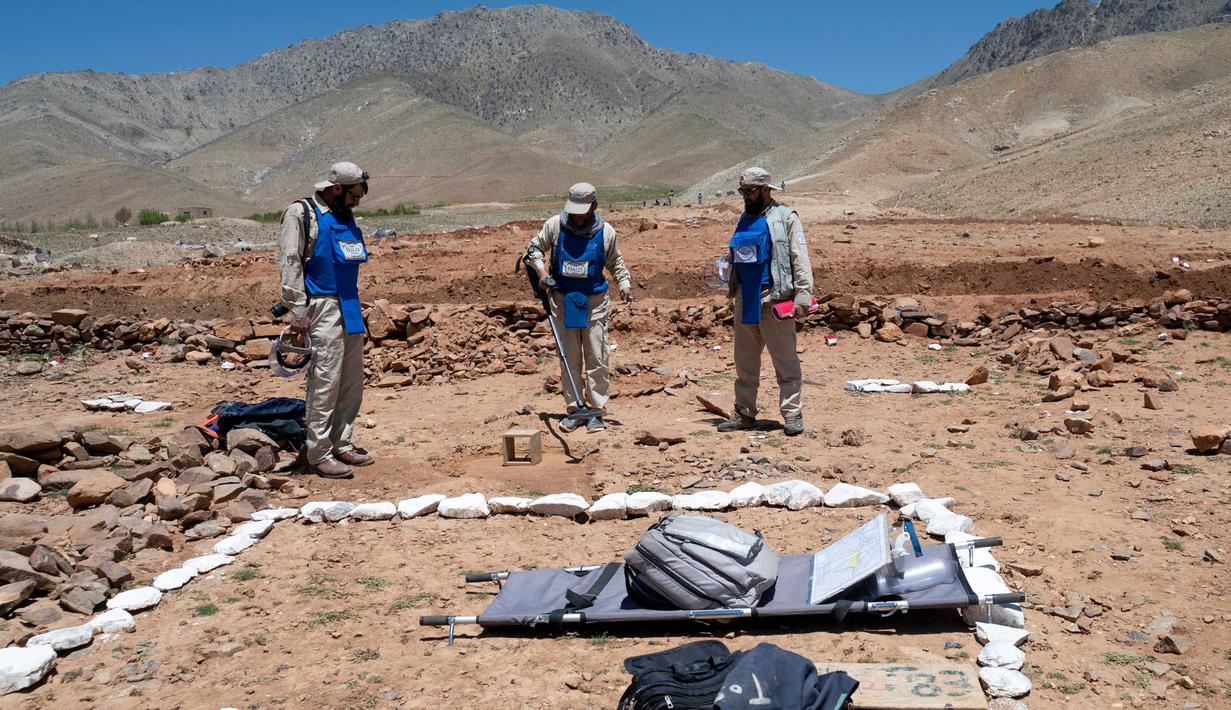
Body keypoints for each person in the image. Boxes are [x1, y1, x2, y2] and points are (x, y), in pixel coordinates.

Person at [277, 161, 373, 478]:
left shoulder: (344, 215)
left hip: (349, 304)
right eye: (353, 196)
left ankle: (341, 443)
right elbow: (290, 260)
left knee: (351, 380)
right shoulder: (301, 213)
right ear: (335, 189)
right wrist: (297, 309)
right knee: (325, 381)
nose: (356, 203)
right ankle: (318, 453)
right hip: (322, 306)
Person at [526, 183, 633, 432]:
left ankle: (596, 410)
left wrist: (625, 284)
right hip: (563, 302)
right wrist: (541, 271)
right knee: (569, 358)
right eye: (574, 209)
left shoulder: (606, 231)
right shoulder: (555, 226)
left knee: (597, 356)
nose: (577, 215)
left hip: (594, 303)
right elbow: (533, 249)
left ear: (594, 206)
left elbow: (615, 261)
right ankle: (575, 409)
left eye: (582, 210)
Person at [717, 167, 813, 437]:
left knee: (785, 362)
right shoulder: (744, 219)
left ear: (766, 189)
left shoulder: (785, 217)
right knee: (745, 363)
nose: (746, 196)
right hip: (744, 299)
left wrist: (803, 294)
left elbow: (799, 256)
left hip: (774, 300)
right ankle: (745, 412)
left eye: (751, 191)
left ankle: (792, 413)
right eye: (742, 191)